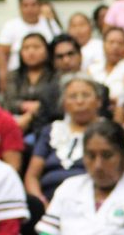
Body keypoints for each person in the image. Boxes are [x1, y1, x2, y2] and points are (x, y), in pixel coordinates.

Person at [25, 75, 105, 206]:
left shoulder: (108, 131)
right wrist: (41, 203)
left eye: (85, 95)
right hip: (48, 203)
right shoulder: (51, 131)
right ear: (64, 104)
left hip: (90, 202)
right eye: (73, 97)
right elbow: (32, 176)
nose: (79, 101)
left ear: (99, 101)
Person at [0, 0, 60, 91]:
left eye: (33, 5)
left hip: (48, 76)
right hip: (17, 77)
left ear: (39, 6)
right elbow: (2, 54)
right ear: (20, 8)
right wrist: (3, 77)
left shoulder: (50, 24)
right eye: (25, 5)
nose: (30, 9)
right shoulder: (10, 26)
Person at [2, 33, 60, 136]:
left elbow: (53, 103)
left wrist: (30, 115)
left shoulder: (56, 75)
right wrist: (24, 106)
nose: (31, 52)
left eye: (36, 47)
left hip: (47, 124)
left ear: (47, 51)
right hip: (16, 122)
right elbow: (9, 101)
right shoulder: (14, 75)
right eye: (26, 48)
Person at [88, 27, 124, 109]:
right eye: (111, 42)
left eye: (120, 43)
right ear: (103, 45)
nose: (115, 47)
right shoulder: (92, 68)